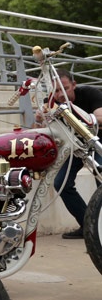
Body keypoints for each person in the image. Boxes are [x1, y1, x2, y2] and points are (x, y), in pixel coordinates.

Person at [48, 69, 102, 238]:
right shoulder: (50, 103)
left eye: (64, 88)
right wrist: (40, 119)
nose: (60, 94)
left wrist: (75, 117)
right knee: (61, 183)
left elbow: (100, 117)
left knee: (101, 177)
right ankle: (88, 227)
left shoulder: (90, 93)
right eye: (56, 91)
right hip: (75, 147)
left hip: (98, 142)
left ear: (74, 85)